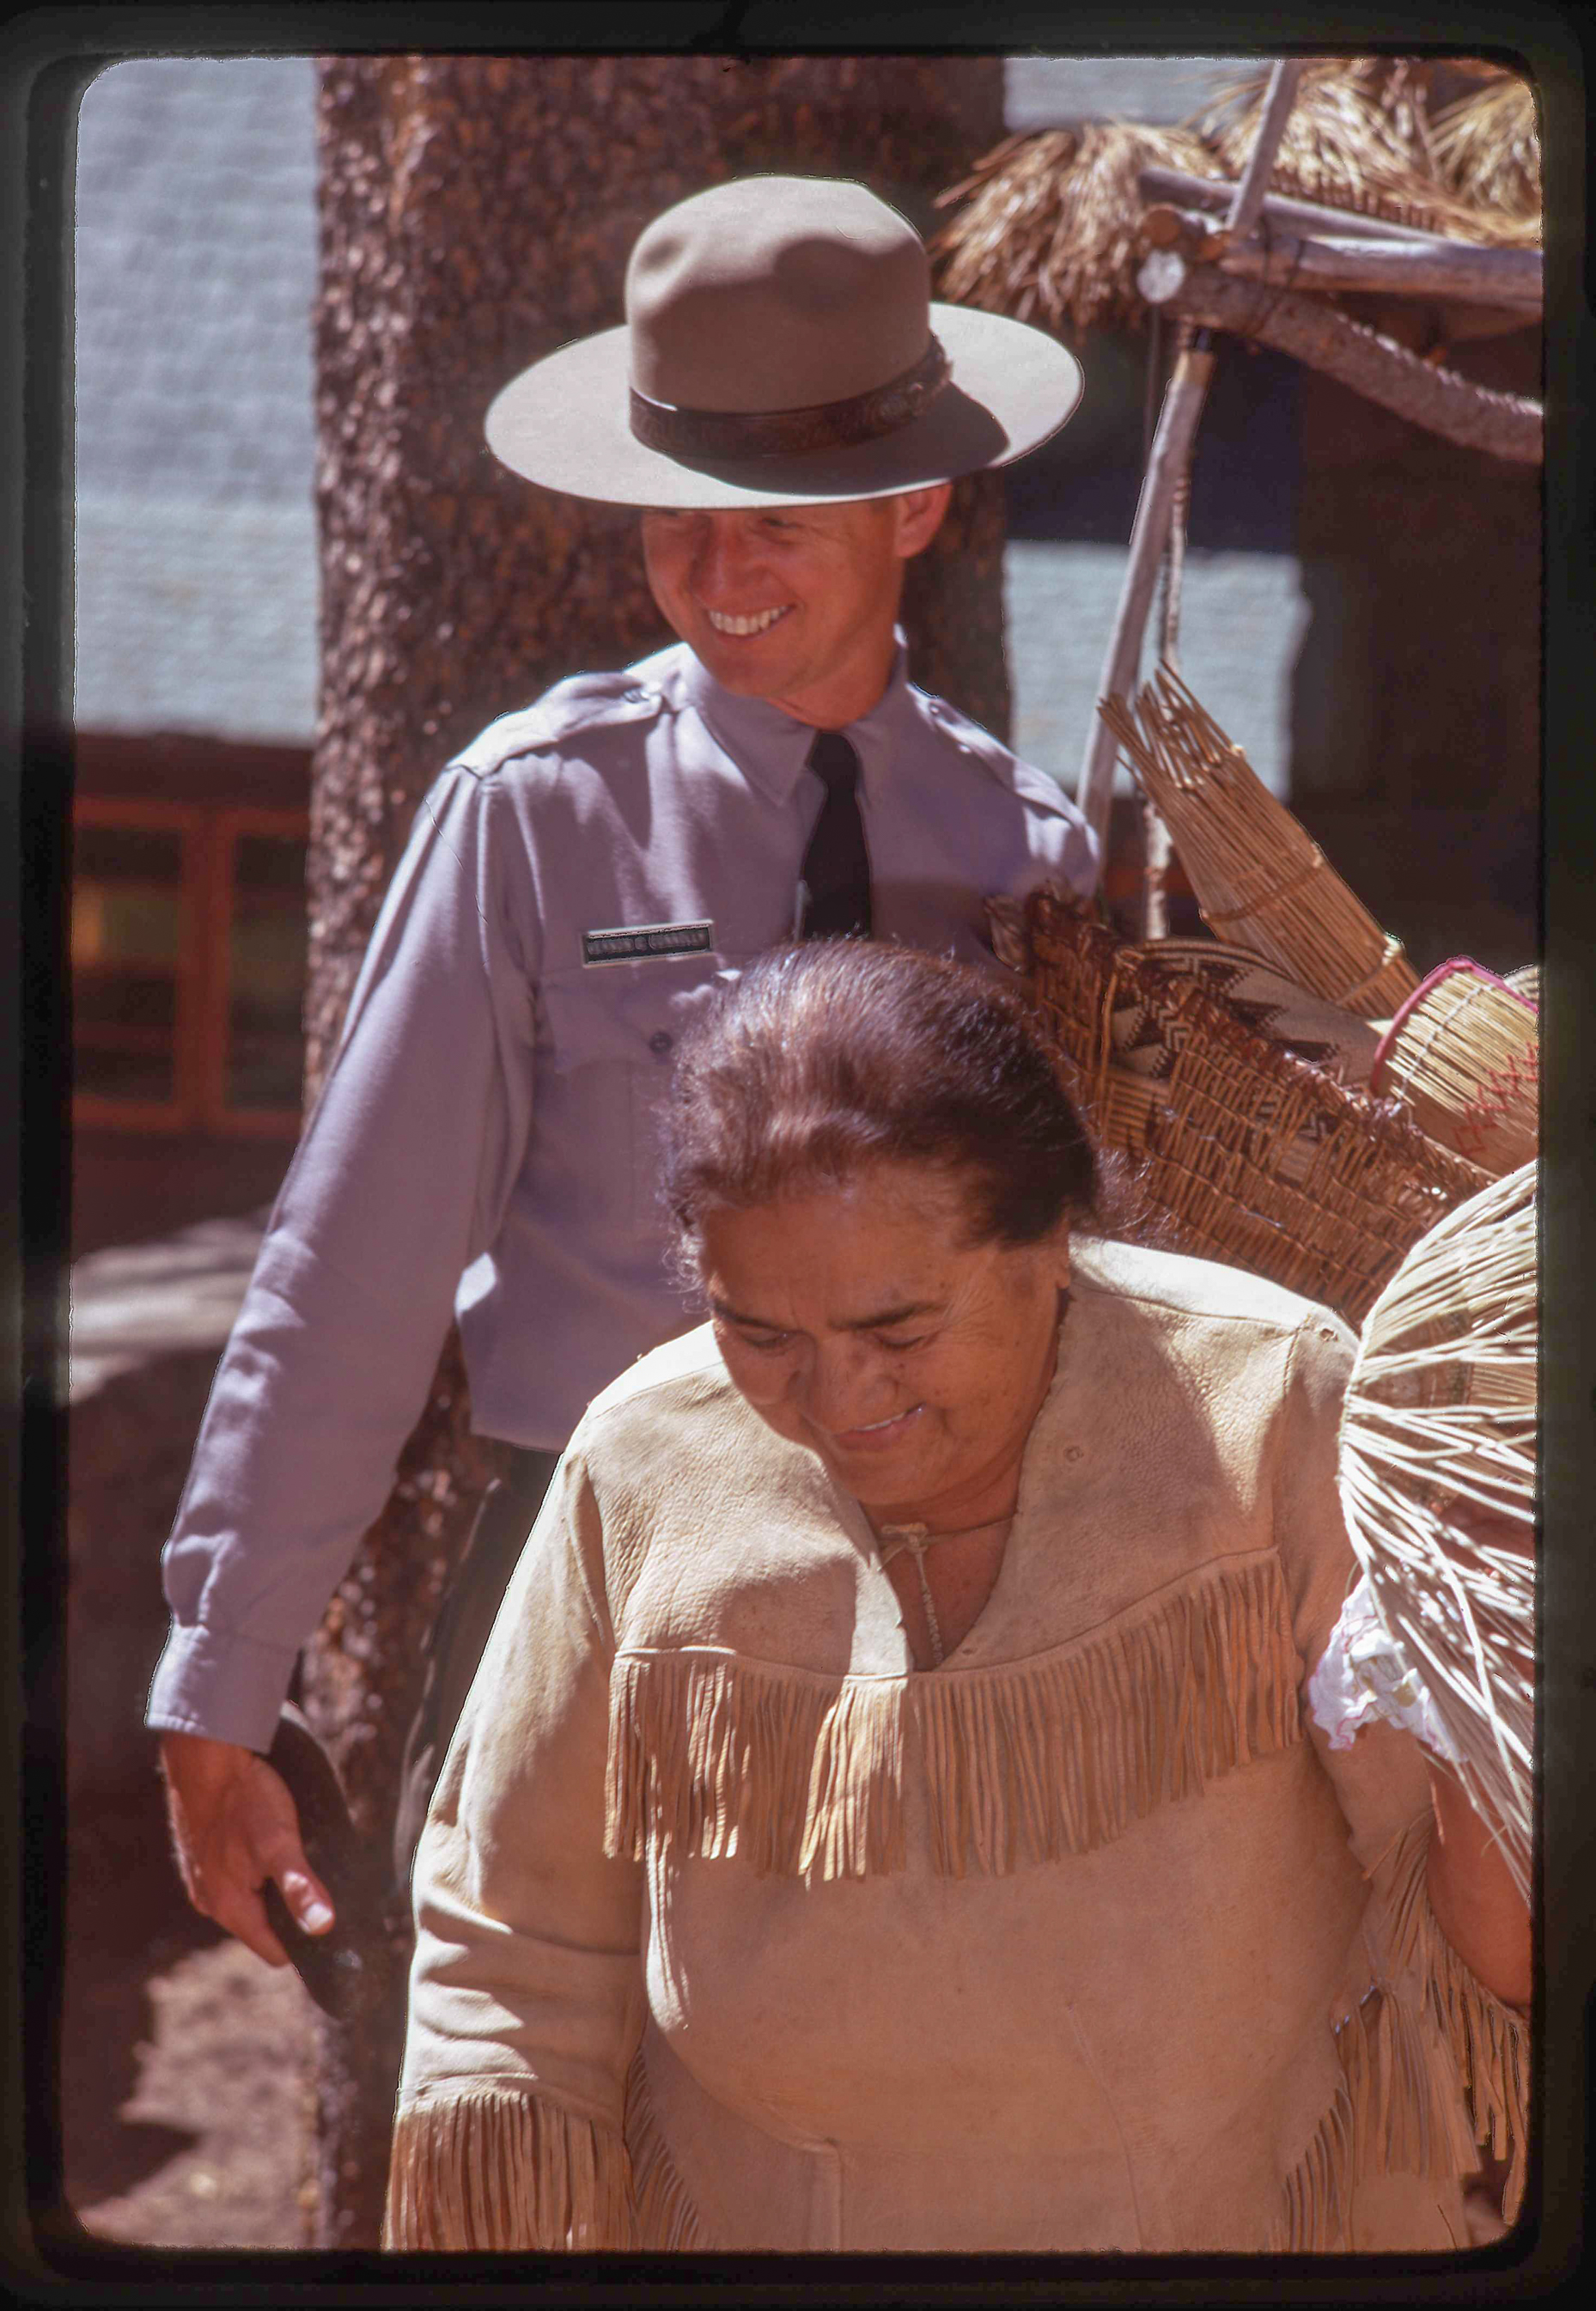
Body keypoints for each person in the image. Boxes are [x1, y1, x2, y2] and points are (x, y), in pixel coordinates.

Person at [149, 173, 1098, 1975]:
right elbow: (349, 1269)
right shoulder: (537, 812)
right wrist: (225, 1673)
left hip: (947, 1614)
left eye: (775, 519)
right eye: (678, 518)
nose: (717, 573)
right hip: (584, 1581)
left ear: (915, 500)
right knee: (532, 2166)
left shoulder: (1024, 848)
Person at [386, 942, 1529, 2254]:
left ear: (1050, 1239)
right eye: (759, 1334)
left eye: (900, 1328)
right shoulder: (642, 1455)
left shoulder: (1266, 1405)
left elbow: (1458, 1926)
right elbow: (510, 1939)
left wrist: (1493, 1633)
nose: (837, 1400)